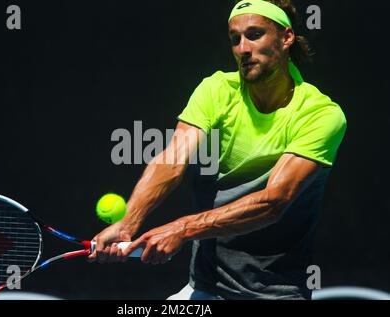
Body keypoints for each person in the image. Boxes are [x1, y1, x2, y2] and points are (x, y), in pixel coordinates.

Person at [88, 0, 347, 300]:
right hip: (205, 289)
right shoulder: (215, 90)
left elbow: (273, 203)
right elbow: (172, 160)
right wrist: (128, 222)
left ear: (286, 37)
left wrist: (183, 228)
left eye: (254, 34)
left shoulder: (321, 115)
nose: (243, 48)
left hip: (276, 293)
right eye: (235, 39)